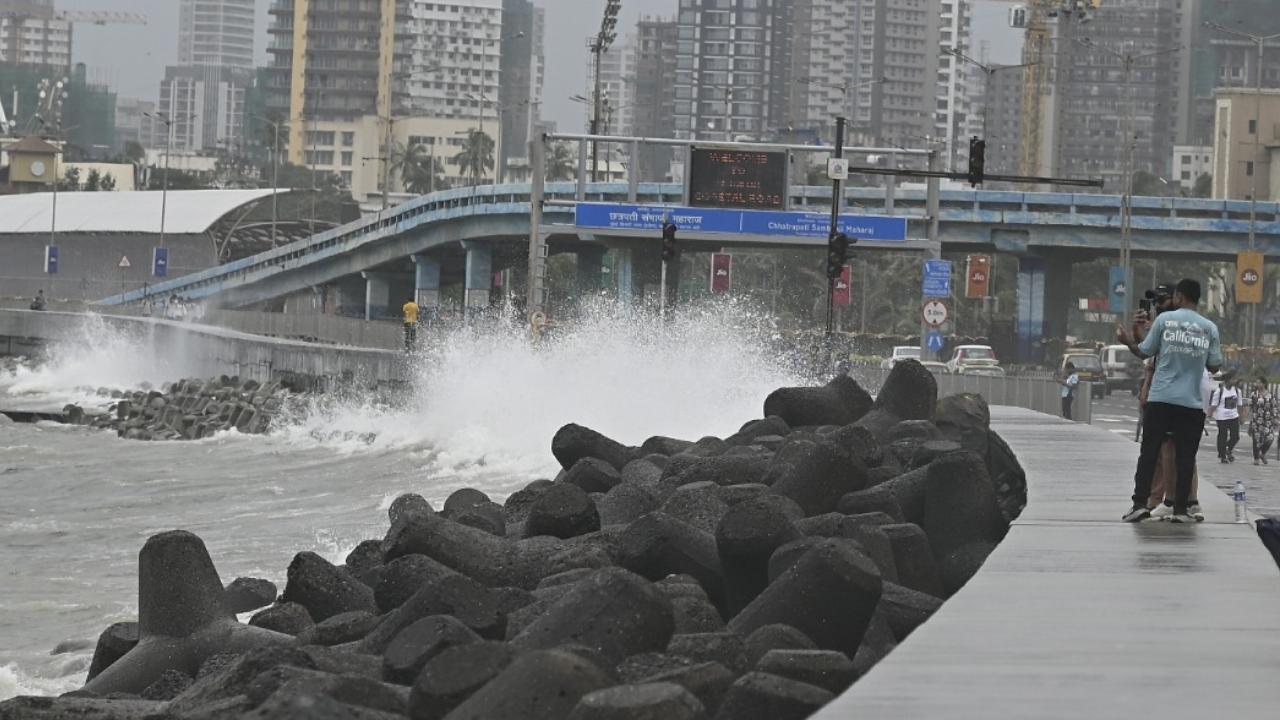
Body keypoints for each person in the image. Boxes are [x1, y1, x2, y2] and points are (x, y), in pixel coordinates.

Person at [1116, 278, 1223, 524]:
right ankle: (1181, 510)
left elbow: (1144, 351)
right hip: (1191, 403)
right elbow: (1215, 366)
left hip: (1161, 398)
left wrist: (1127, 341)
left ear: (1180, 297)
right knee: (1185, 458)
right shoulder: (1209, 328)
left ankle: (1139, 504)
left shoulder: (1164, 321)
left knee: (1149, 453)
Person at [1209, 370, 1242, 463]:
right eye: (1233, 379)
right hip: (1222, 417)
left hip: (1234, 416)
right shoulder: (1220, 391)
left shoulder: (1237, 391)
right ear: (1227, 380)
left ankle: (1227, 448)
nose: (1235, 381)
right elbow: (1214, 404)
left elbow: (1239, 404)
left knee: (1235, 436)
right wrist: (1210, 413)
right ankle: (1222, 455)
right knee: (1222, 436)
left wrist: (1242, 417)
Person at [1248, 378, 1278, 466]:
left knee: (1270, 438)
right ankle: (1256, 458)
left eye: (1259, 382)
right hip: (1256, 420)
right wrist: (1249, 417)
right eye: (1256, 382)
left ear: (1264, 384)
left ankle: (1263, 453)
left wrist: (1275, 418)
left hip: (1268, 420)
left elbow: (1274, 407)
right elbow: (1250, 406)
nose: (1257, 384)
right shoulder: (1254, 394)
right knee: (1256, 439)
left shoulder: (1270, 395)